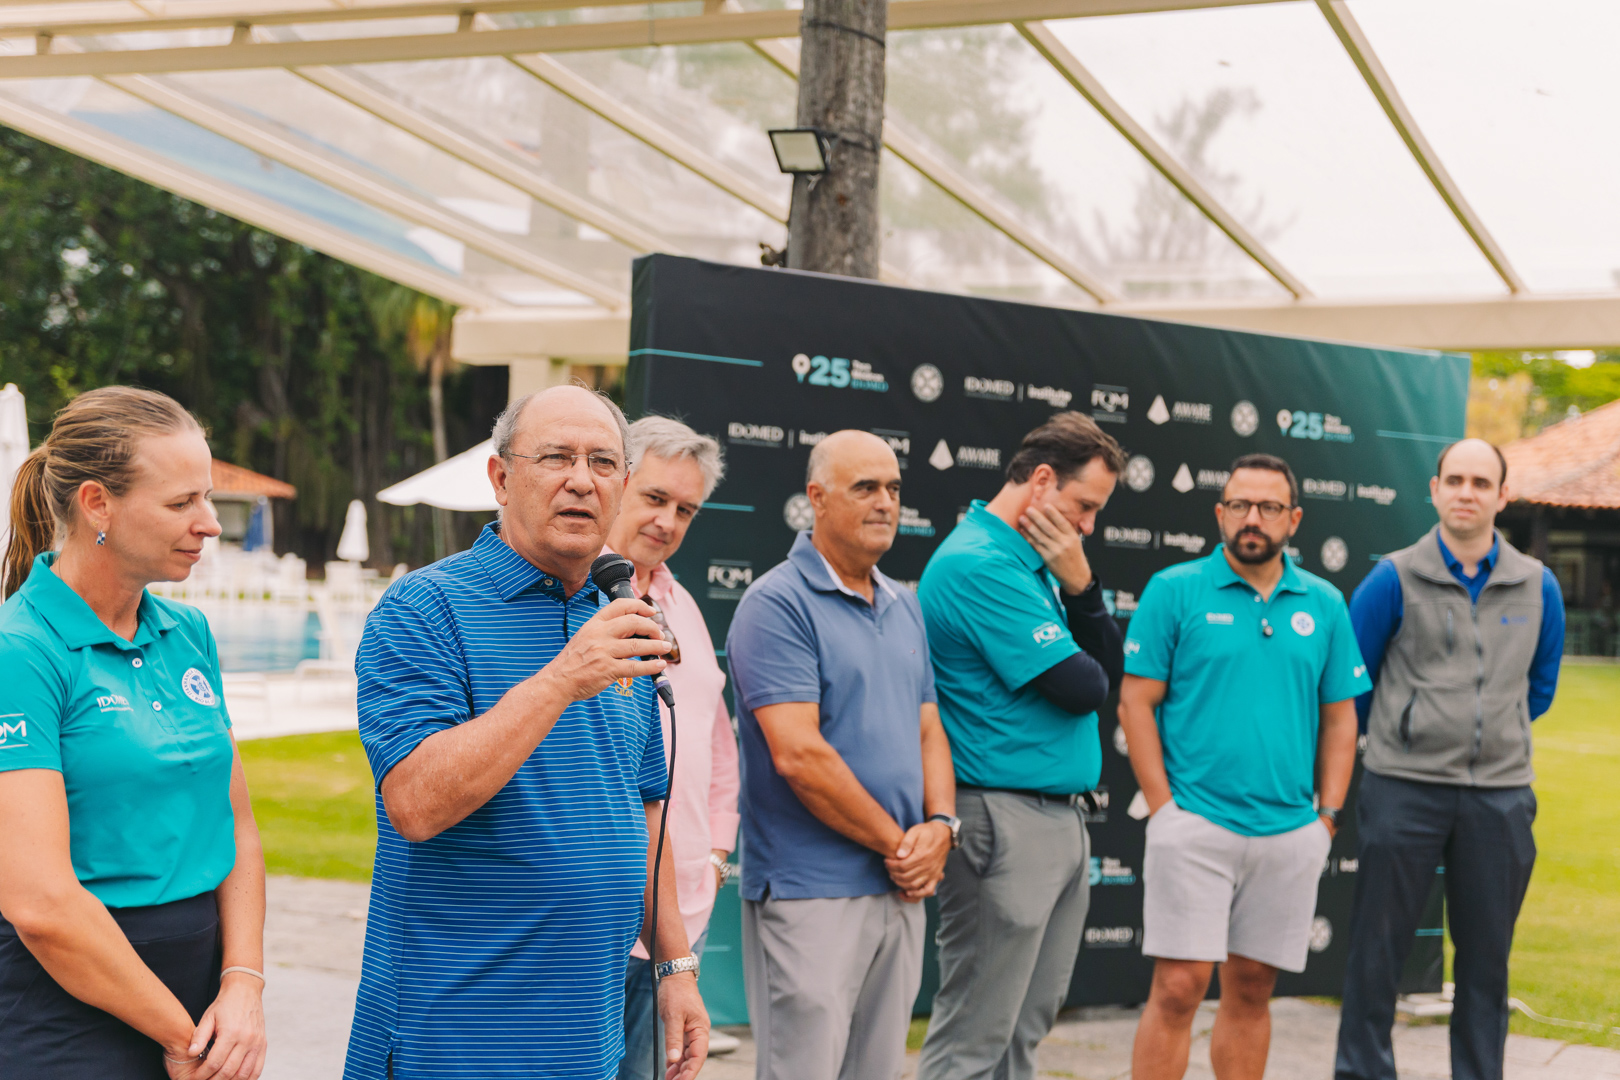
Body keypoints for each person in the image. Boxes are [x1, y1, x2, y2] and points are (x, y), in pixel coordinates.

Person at [342, 385, 708, 1080]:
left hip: (587, 1043)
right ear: (501, 478)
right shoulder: (424, 608)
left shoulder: (619, 613)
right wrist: (562, 678)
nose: (582, 480)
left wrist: (675, 965)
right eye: (556, 457)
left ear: (622, 486)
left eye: (603, 462)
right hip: (452, 1043)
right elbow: (415, 803)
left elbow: (644, 809)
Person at [0, 386, 269, 1080]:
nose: (210, 524)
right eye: (182, 503)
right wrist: (182, 1038)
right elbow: (40, 903)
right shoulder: (19, 651)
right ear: (98, 503)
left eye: (208, 498)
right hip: (64, 1021)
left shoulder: (189, 633)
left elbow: (235, 825)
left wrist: (243, 985)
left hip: (205, 1006)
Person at [1116, 453, 1367, 1080]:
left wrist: (1327, 819)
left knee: (1253, 986)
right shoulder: (1175, 589)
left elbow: (1341, 719)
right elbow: (1135, 703)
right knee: (1179, 986)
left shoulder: (1325, 603)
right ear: (1220, 512)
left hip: (1289, 831)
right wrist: (1164, 811)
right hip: (1194, 823)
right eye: (1239, 505)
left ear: (1294, 519)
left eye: (1269, 507)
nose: (1252, 518)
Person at [726, 430, 956, 1080]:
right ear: (817, 498)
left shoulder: (904, 603)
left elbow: (929, 729)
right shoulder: (776, 604)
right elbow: (800, 755)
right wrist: (903, 846)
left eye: (894, 488)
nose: (885, 502)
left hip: (898, 888)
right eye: (865, 487)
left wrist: (943, 826)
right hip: (811, 891)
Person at [1335, 438, 1563, 1080]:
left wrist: (1490, 733)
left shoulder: (1538, 585)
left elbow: (1539, 688)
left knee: (1487, 963)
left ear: (1502, 496)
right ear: (1434, 490)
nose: (1467, 493)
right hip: (1403, 788)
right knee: (1377, 954)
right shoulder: (1393, 578)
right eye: (1455, 480)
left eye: (1481, 483)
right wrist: (1413, 732)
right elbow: (1353, 682)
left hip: (1500, 797)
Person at [916, 411, 1126, 1080]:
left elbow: (1107, 670)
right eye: (1084, 505)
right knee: (974, 1038)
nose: (1087, 525)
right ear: (1040, 481)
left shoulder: (1030, 562)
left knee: (1022, 1034)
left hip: (1053, 813)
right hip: (1002, 814)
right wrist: (1080, 584)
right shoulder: (980, 562)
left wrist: (1082, 587)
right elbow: (1083, 686)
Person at [605, 416, 741, 1077]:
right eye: (655, 498)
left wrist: (714, 856)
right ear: (616, 482)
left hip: (686, 912)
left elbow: (717, 743)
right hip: (603, 915)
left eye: (685, 509)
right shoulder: (572, 598)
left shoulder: (680, 602)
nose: (668, 521)